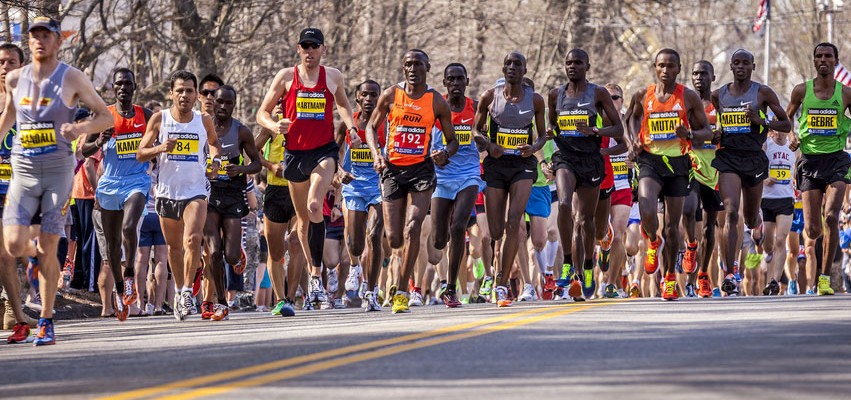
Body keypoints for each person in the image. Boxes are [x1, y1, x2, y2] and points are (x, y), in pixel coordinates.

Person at [0, 17, 114, 345]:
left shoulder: (71, 77)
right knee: (12, 245)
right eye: (34, 36)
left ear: (57, 41)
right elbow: (9, 116)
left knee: (49, 247)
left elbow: (104, 116)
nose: (39, 41)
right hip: (23, 172)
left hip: (58, 173)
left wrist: (78, 129)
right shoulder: (15, 79)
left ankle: (47, 320)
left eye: (45, 36)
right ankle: (38, 254)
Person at [256, 27, 358, 306]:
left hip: (323, 151)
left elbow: (345, 106)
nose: (309, 51)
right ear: (298, 49)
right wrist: (275, 125)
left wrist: (352, 128)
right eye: (305, 46)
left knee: (315, 205)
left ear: (324, 49)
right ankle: (313, 273)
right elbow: (261, 112)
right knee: (303, 221)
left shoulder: (333, 76)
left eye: (315, 46)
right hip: (295, 153)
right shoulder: (286, 77)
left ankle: (315, 275)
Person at [365, 49, 458, 313]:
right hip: (392, 170)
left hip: (421, 171)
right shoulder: (392, 95)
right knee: (393, 239)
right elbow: (371, 127)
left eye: (418, 64)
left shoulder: (436, 101)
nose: (413, 68)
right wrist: (376, 155)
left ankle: (403, 292)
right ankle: (375, 289)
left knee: (413, 227)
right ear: (403, 68)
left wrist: (444, 153)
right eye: (408, 64)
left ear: (428, 67)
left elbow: (453, 141)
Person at [625, 48, 711, 301]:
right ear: (655, 67)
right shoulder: (643, 94)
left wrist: (691, 135)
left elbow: (707, 130)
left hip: (678, 165)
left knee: (673, 228)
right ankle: (653, 240)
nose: (665, 70)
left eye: (670, 66)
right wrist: (633, 142)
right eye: (661, 65)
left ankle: (669, 279)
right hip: (650, 161)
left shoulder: (688, 98)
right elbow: (631, 118)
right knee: (647, 209)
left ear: (678, 69)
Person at [137, 70, 221, 321]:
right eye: (180, 90)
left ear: (196, 95)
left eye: (189, 91)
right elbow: (141, 153)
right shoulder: (160, 119)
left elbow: (214, 143)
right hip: (166, 192)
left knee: (193, 239)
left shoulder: (203, 120)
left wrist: (215, 160)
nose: (184, 95)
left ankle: (186, 292)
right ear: (171, 93)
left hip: (195, 190)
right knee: (174, 247)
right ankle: (178, 292)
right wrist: (161, 147)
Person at [711, 49, 791, 296]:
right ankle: (730, 273)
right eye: (736, 63)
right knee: (731, 212)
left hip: (754, 159)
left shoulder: (763, 92)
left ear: (753, 66)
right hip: (728, 158)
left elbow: (786, 124)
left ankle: (758, 225)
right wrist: (717, 133)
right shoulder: (719, 95)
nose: (741, 67)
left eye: (746, 63)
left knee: (750, 218)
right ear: (731, 67)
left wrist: (762, 121)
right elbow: (718, 124)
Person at [473, 52, 549, 307]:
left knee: (514, 222)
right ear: (503, 69)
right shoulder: (489, 97)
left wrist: (533, 147)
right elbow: (475, 130)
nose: (513, 68)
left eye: (518, 64)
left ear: (525, 69)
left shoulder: (535, 100)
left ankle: (502, 284)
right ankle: (497, 271)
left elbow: (542, 136)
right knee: (495, 231)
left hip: (522, 165)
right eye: (508, 64)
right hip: (496, 164)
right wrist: (489, 143)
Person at [548, 49, 624, 301]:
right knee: (565, 205)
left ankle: (589, 264)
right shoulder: (555, 95)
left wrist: (594, 131)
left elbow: (617, 129)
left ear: (587, 66)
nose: (572, 66)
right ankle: (569, 265)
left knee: (586, 221)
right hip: (566, 158)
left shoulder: (598, 93)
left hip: (591, 160)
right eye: (568, 62)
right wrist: (549, 138)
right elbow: (553, 127)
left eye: (578, 62)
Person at [81, 68, 153, 321]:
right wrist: (100, 141)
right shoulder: (104, 115)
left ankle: (130, 272)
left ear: (135, 87)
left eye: (128, 84)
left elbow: (161, 140)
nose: (124, 88)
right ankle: (121, 289)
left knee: (129, 226)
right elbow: (83, 150)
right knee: (111, 245)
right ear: (113, 88)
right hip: (109, 183)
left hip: (137, 180)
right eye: (119, 84)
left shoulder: (146, 115)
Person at [785, 42, 851, 295]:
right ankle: (815, 268)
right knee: (813, 229)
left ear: (835, 60)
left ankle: (824, 279)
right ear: (814, 61)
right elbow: (786, 116)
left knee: (832, 217)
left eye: (828, 56)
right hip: (810, 161)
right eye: (819, 56)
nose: (823, 60)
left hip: (836, 159)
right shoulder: (802, 90)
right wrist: (791, 134)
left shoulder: (845, 93)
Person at [202, 85, 260, 321]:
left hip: (234, 194)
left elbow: (257, 163)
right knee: (214, 252)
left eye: (229, 103)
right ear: (212, 102)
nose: (224, 107)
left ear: (234, 105)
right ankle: (222, 303)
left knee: (231, 257)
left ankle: (237, 252)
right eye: (220, 102)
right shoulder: (203, 128)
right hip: (210, 193)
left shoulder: (241, 131)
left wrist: (242, 169)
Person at [430, 63, 484, 307]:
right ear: (444, 83)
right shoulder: (436, 106)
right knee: (439, 241)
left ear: (467, 81)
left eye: (459, 79)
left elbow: (483, 135)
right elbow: (424, 138)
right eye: (450, 79)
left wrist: (484, 142)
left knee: (458, 225)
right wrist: (433, 154)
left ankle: (451, 288)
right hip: (441, 176)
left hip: (469, 174)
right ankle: (440, 243)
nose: (455, 83)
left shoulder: (475, 108)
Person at [336, 79, 385, 312]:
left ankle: (372, 290)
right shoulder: (348, 123)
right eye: (364, 95)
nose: (369, 99)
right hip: (354, 186)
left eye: (373, 95)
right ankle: (355, 265)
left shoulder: (385, 123)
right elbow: (332, 151)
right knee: (355, 243)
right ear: (357, 97)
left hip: (379, 187)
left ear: (379, 97)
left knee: (374, 235)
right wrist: (339, 170)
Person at [684, 60, 724, 298]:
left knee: (710, 227)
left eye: (704, 74)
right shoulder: (685, 102)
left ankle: (703, 274)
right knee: (689, 210)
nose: (699, 78)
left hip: (715, 168)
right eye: (695, 74)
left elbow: (731, 131)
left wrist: (721, 135)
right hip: (691, 164)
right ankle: (690, 245)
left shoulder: (719, 103)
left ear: (713, 77)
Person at [0, 42, 30, 343]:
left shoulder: (31, 103)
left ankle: (15, 308)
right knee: (5, 255)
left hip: (23, 189)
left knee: (21, 251)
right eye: (0, 62)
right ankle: (16, 316)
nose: (4, 67)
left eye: (11, 62)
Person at [761, 129, 796, 295]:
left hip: (786, 199)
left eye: (784, 130)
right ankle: (768, 258)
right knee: (768, 245)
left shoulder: (793, 147)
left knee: (781, 240)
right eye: (777, 130)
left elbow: (797, 169)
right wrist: (763, 178)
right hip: (767, 199)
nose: (780, 134)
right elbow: (756, 166)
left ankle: (774, 281)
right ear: (772, 131)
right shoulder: (766, 145)